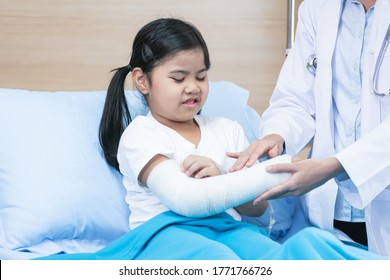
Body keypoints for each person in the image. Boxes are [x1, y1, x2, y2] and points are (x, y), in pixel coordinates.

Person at [37, 18, 384, 260]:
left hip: (229, 229)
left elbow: (257, 211)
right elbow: (186, 200)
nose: (193, 87)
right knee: (220, 260)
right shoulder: (141, 134)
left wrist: (237, 180)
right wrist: (277, 169)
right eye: (178, 78)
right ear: (142, 81)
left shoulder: (227, 128)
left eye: (202, 76)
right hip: (165, 233)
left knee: (289, 250)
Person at [228, 0, 390, 257]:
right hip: (330, 211)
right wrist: (277, 135)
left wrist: (337, 166)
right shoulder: (317, 8)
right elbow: (295, 98)